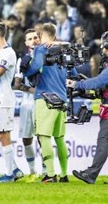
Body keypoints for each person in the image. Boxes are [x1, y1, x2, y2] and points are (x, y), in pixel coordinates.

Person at [70, 31, 108, 185]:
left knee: (104, 140)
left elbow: (98, 82)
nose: (102, 48)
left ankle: (91, 173)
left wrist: (76, 84)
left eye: (104, 44)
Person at [24, 23, 73, 183]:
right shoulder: (63, 50)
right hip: (62, 98)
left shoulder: (41, 49)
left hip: (45, 98)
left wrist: (27, 70)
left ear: (41, 34)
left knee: (43, 136)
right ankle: (64, 174)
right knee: (59, 138)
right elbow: (74, 73)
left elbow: (36, 66)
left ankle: (50, 174)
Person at [0, 21, 24, 182]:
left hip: (4, 100)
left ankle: (9, 174)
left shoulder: (7, 53)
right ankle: (14, 168)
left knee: (3, 134)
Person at [14, 29, 41, 181]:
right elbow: (17, 84)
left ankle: (46, 171)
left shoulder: (46, 58)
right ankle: (32, 171)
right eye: (30, 39)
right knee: (26, 138)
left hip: (42, 102)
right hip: (27, 103)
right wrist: (33, 90)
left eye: (36, 37)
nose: (34, 40)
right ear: (26, 43)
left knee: (43, 137)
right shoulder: (21, 61)